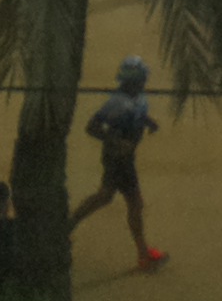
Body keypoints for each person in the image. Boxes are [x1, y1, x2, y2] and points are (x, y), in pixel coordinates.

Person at [71, 56, 168, 272]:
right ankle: (143, 256)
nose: (144, 82)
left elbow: (138, 115)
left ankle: (67, 227)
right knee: (125, 201)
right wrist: (116, 141)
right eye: (141, 79)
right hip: (117, 159)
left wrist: (149, 122)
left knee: (111, 198)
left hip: (125, 159)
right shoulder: (117, 103)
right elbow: (92, 127)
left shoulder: (137, 98)